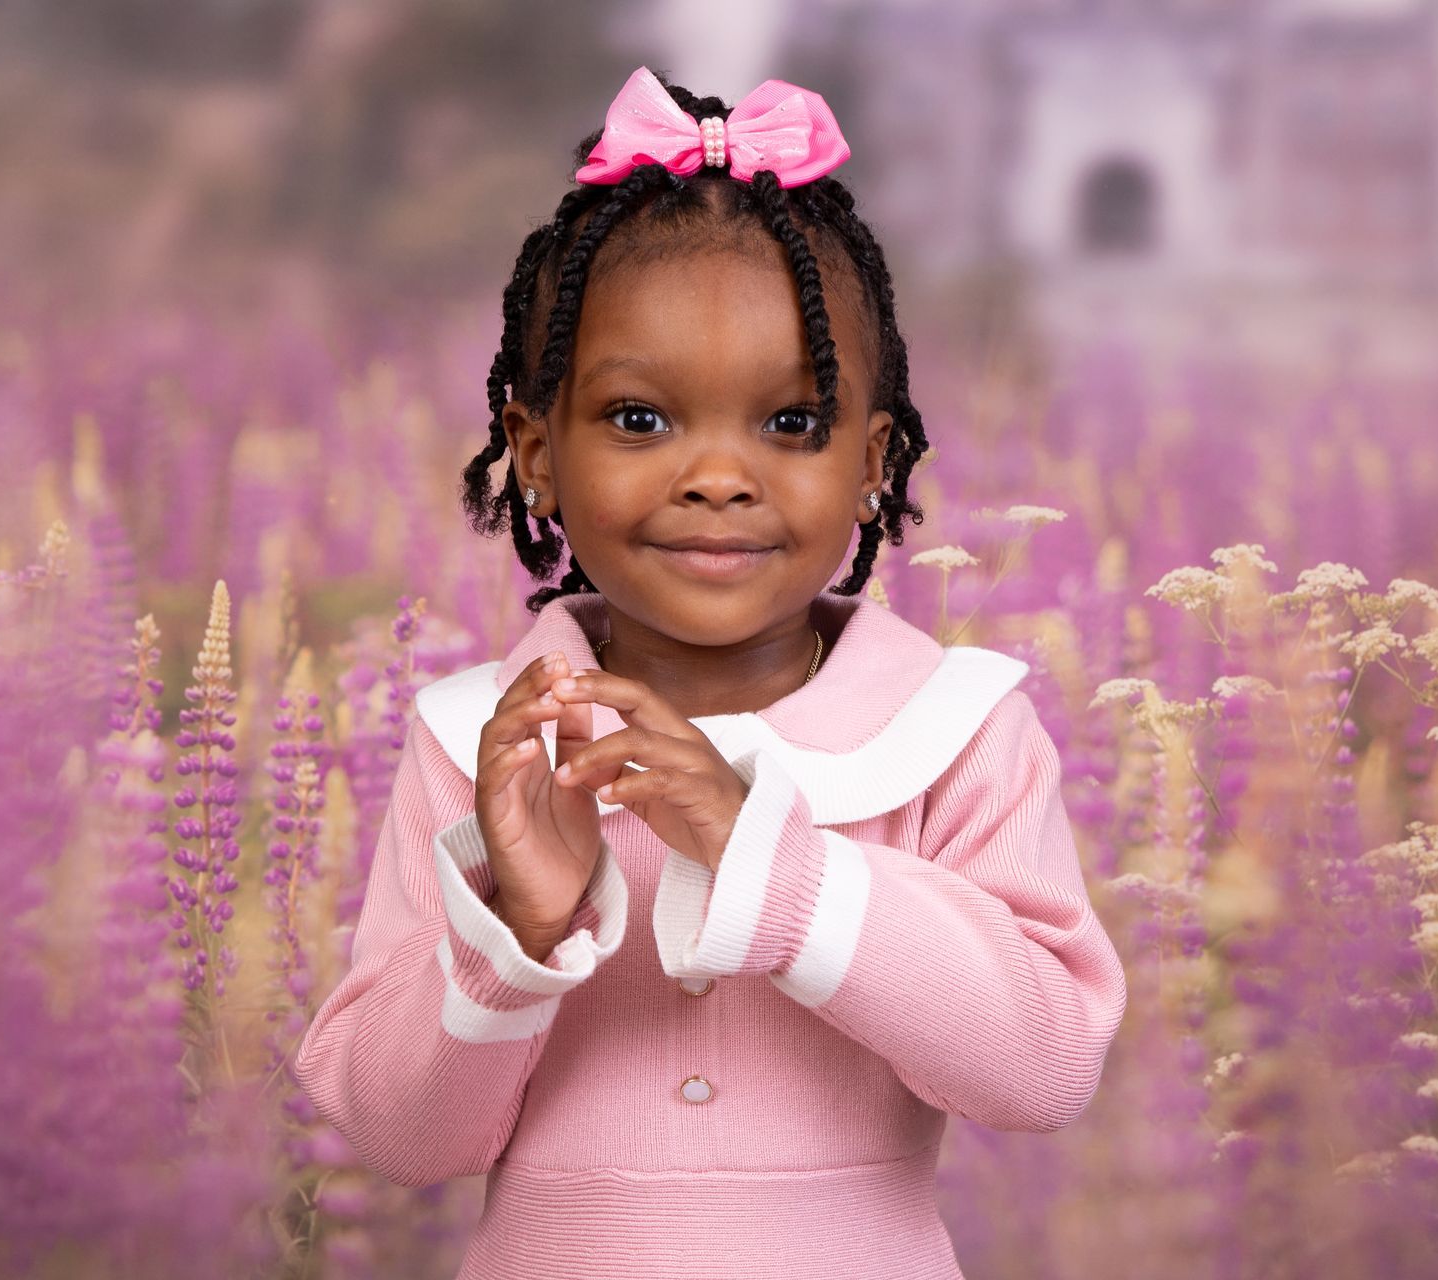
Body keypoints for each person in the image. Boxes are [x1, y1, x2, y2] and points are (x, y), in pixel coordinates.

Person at [292, 65, 1127, 1279]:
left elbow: (1045, 1065)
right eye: (640, 419)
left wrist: (772, 867)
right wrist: (520, 922)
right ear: (534, 451)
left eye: (791, 423)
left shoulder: (954, 728)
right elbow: (402, 1134)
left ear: (872, 461)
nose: (719, 476)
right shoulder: (484, 739)